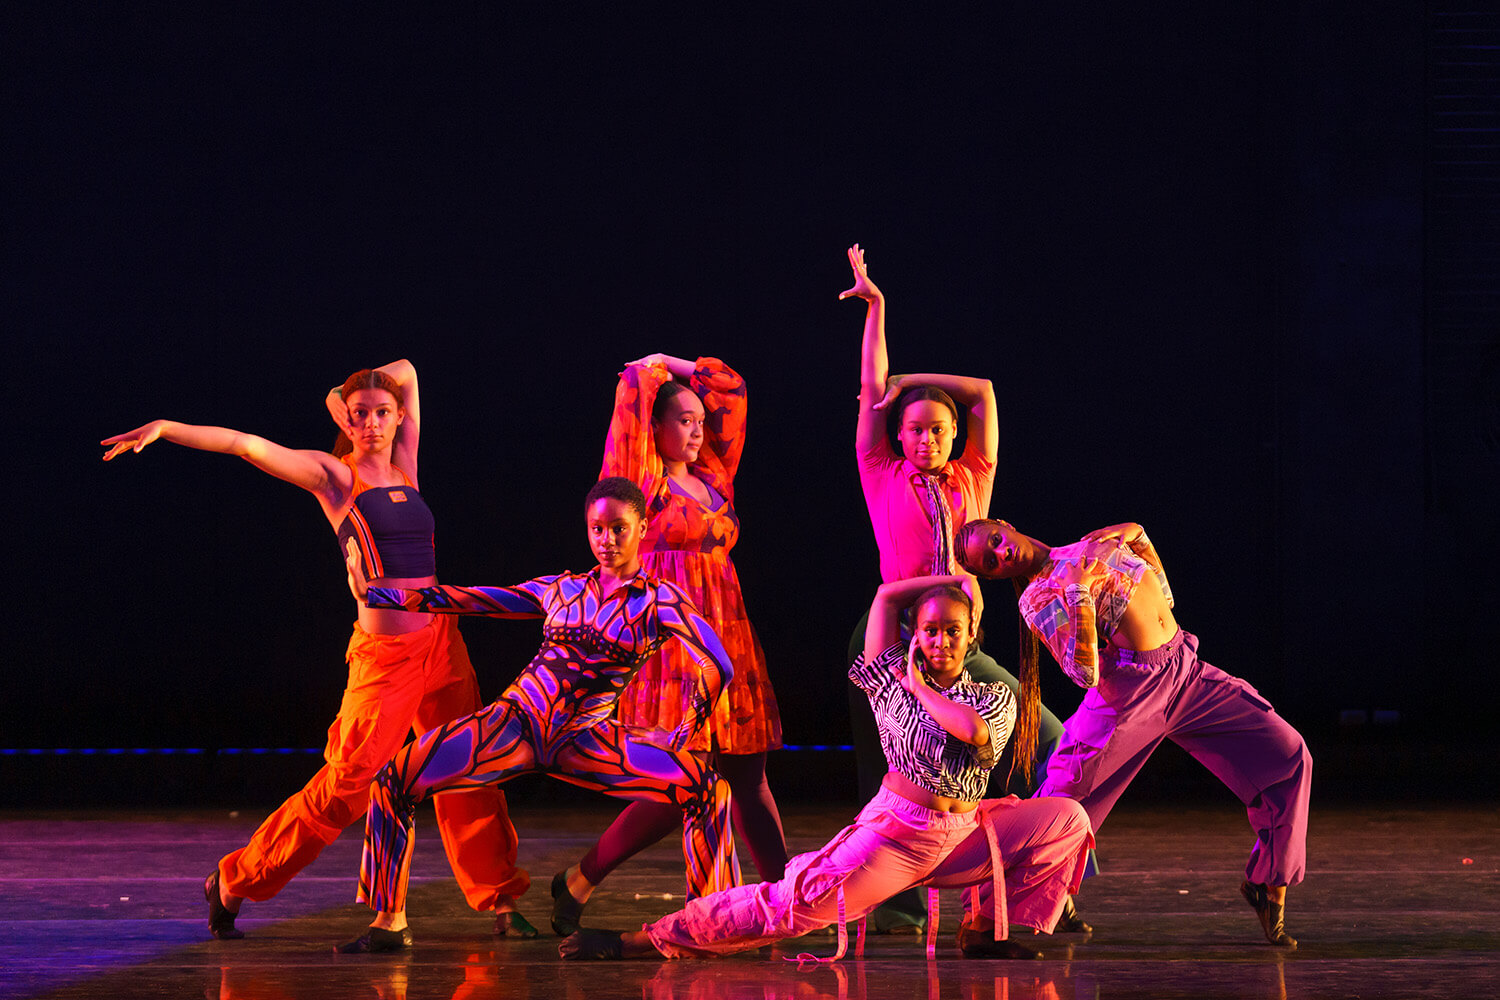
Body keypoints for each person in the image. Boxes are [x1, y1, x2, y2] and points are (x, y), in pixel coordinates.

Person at [99, 361, 533, 941]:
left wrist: (350, 394)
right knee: (347, 787)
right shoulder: (335, 476)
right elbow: (245, 445)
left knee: (470, 767)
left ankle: (500, 897)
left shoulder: (406, 462)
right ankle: (233, 880)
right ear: (346, 422)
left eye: (384, 413)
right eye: (361, 415)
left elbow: (406, 369)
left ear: (399, 416)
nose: (373, 423)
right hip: (387, 659)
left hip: (442, 641)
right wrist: (167, 427)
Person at [558, 574, 1093, 961]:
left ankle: (981, 930)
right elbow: (885, 595)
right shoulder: (889, 679)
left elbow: (974, 734)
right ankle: (642, 940)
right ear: (915, 635)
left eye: (953, 630)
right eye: (930, 631)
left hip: (963, 834)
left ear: (971, 633)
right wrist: (948, 582)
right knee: (790, 907)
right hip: (896, 837)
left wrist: (918, 684)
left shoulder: (991, 696)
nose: (942, 641)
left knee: (1068, 818)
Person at [338, 477, 742, 954]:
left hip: (585, 740)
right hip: (515, 725)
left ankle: (711, 925)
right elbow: (472, 599)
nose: (606, 541)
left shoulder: (659, 601)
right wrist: (377, 597)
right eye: (597, 529)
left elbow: (718, 664)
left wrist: (686, 729)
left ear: (642, 528)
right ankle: (389, 921)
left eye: (618, 529)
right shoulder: (561, 589)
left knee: (708, 789)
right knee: (395, 779)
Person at [840, 243, 1085, 934]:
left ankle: (1050, 882)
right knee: (893, 765)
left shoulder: (974, 477)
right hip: (896, 634)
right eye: (913, 429)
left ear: (953, 436)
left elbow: (981, 389)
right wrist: (876, 311)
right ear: (898, 437)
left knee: (1046, 737)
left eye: (937, 430)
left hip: (959, 636)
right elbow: (870, 392)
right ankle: (894, 903)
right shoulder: (880, 471)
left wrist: (911, 382)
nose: (924, 440)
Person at [956, 518, 1313, 948]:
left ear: (1005, 526)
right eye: (989, 564)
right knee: (1062, 801)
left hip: (1185, 670)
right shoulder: (1038, 596)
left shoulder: (1086, 545)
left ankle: (1267, 884)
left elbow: (1165, 597)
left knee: (1288, 754)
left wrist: (1140, 536)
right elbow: (1082, 671)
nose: (1000, 555)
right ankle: (983, 918)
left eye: (995, 542)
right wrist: (1080, 591)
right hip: (1131, 694)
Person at [548, 354, 787, 935]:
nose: (698, 428)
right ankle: (596, 881)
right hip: (669, 643)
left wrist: (680, 365)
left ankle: (787, 905)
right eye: (683, 419)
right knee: (685, 781)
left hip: (724, 627)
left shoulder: (713, 477)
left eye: (699, 420)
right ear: (653, 429)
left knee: (749, 774)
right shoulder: (641, 486)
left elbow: (732, 389)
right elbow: (633, 390)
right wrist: (651, 367)